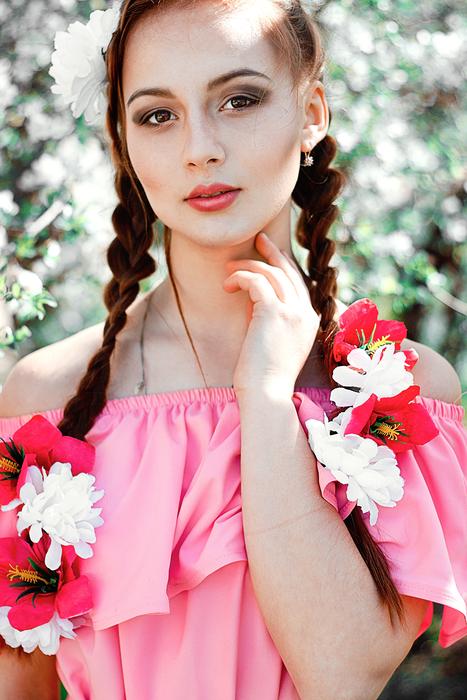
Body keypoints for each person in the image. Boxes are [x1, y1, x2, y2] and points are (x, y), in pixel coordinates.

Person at [0, 1, 465, 698]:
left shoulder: (399, 394)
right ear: (122, 141)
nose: (200, 148)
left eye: (238, 100)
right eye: (158, 114)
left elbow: (342, 674)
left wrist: (267, 397)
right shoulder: (47, 398)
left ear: (311, 113)